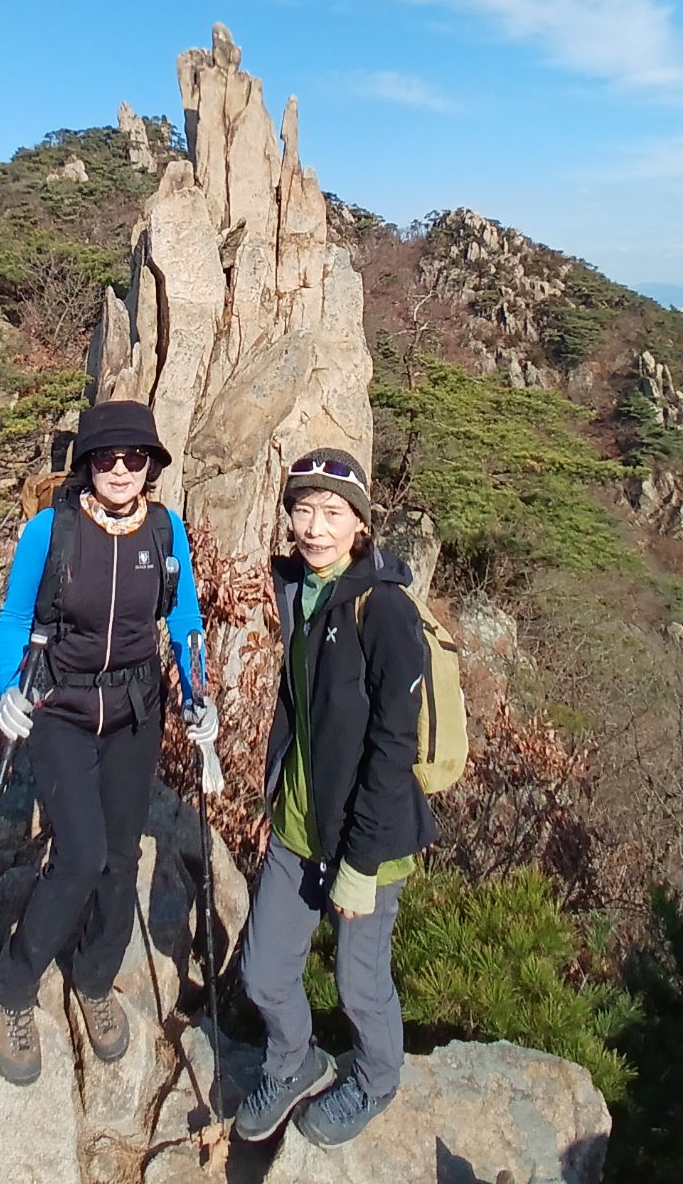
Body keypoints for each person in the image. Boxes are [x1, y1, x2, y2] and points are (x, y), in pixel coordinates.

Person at [0, 399, 218, 1085]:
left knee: (121, 857)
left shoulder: (165, 532)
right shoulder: (50, 531)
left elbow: (185, 618)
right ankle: (12, 985)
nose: (120, 469)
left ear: (150, 465)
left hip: (136, 711)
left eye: (134, 457)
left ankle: (93, 977)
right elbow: (15, 617)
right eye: (107, 457)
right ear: (87, 462)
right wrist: (9, 689)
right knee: (81, 855)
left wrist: (197, 692)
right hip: (59, 706)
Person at [235, 449, 436, 1148]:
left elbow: (393, 748)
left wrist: (362, 863)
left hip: (367, 836)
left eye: (332, 512)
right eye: (302, 509)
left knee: (360, 984)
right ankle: (294, 1061)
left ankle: (377, 1080)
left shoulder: (386, 611)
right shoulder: (296, 587)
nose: (314, 528)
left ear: (360, 524)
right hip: (298, 824)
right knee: (263, 974)